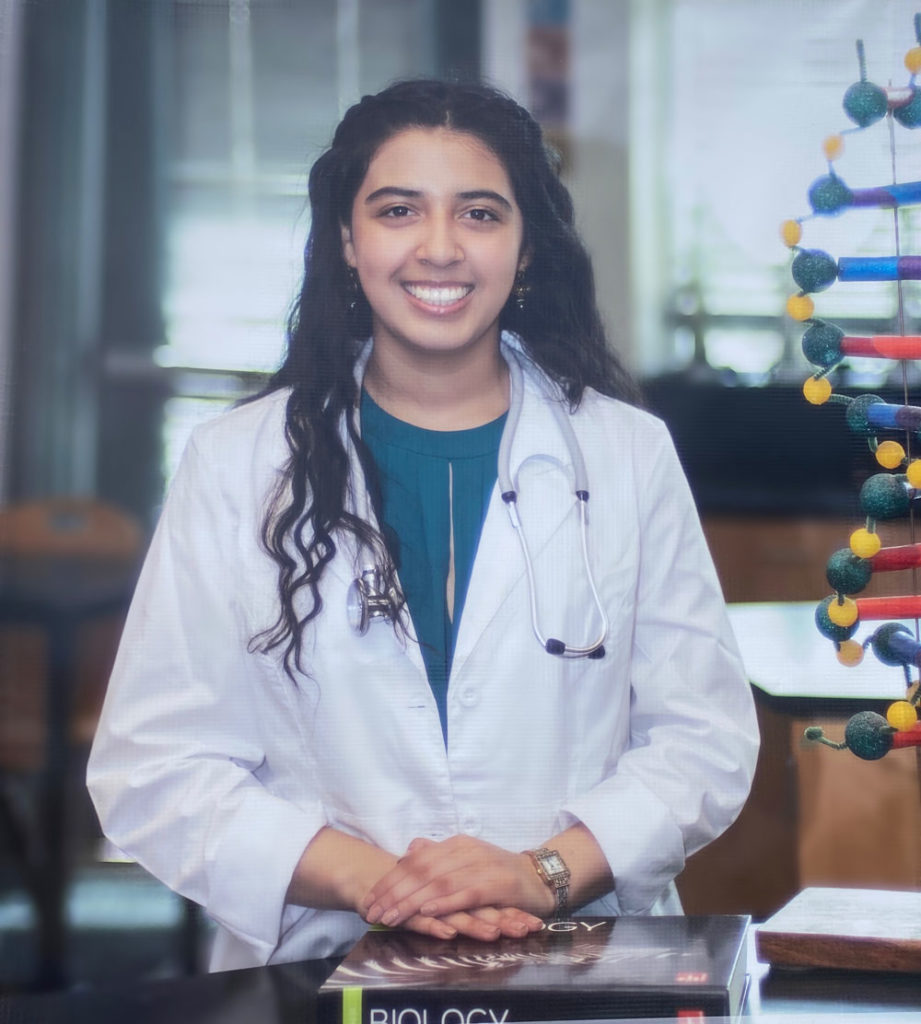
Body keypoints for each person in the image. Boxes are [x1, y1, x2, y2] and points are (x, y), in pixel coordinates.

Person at [87, 79, 759, 972]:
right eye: (398, 210)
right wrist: (375, 883)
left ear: (525, 250)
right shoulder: (236, 463)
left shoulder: (627, 454)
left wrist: (540, 872)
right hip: (315, 962)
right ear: (346, 241)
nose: (438, 249)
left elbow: (702, 741)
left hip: (578, 960)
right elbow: (156, 765)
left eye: (479, 214)